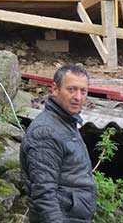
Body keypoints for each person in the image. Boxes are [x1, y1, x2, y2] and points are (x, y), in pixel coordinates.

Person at [20, 63, 97, 223]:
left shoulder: (66, 123)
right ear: (55, 89)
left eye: (83, 91)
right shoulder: (46, 133)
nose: (78, 97)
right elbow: (44, 194)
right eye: (71, 89)